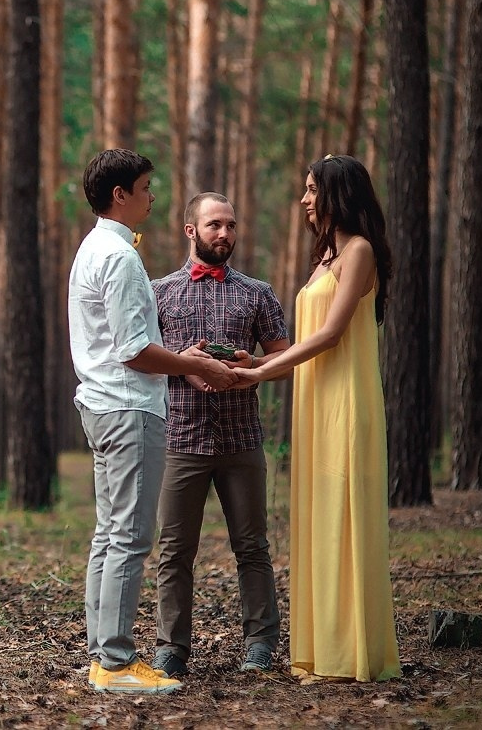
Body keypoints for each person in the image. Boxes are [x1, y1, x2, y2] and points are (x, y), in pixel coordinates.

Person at [68, 149, 239, 695]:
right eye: (144, 187)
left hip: (105, 404)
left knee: (109, 534)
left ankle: (102, 656)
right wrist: (194, 365)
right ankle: (116, 663)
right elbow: (134, 350)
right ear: (119, 195)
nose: (152, 196)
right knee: (129, 537)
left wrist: (181, 360)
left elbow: (131, 344)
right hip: (127, 409)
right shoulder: (118, 257)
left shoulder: (94, 247)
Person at [233, 154, 401, 683]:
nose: (305, 200)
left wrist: (263, 373)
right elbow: (307, 340)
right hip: (314, 403)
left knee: (343, 518)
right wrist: (256, 363)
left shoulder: (360, 251)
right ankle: (320, 647)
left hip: (345, 403)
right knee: (318, 520)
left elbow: (330, 335)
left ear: (338, 194)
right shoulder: (326, 255)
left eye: (312, 189)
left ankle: (350, 652)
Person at [149, 192, 290, 680]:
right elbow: (141, 359)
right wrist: (185, 367)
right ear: (191, 230)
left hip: (241, 438)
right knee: (174, 551)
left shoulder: (257, 293)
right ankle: (171, 648)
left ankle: (261, 643)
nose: (224, 233)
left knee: (252, 546)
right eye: (214, 225)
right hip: (180, 439)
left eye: (230, 225)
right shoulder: (158, 293)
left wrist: (253, 367)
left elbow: (285, 359)